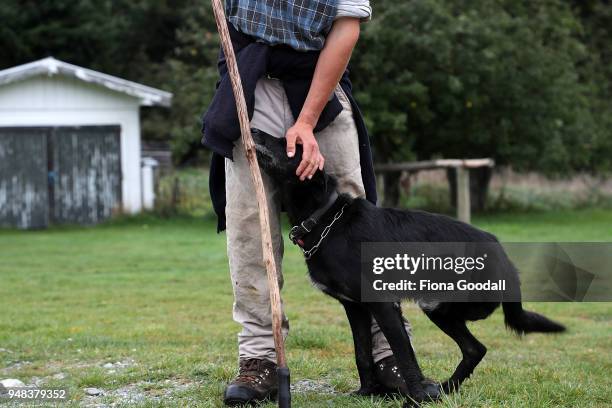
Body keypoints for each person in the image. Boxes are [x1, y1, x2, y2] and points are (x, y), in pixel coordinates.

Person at [201, 1, 413, 405]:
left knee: (360, 220)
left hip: (319, 77)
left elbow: (345, 28)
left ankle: (390, 355)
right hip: (251, 78)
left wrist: (307, 121)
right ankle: (259, 359)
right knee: (249, 224)